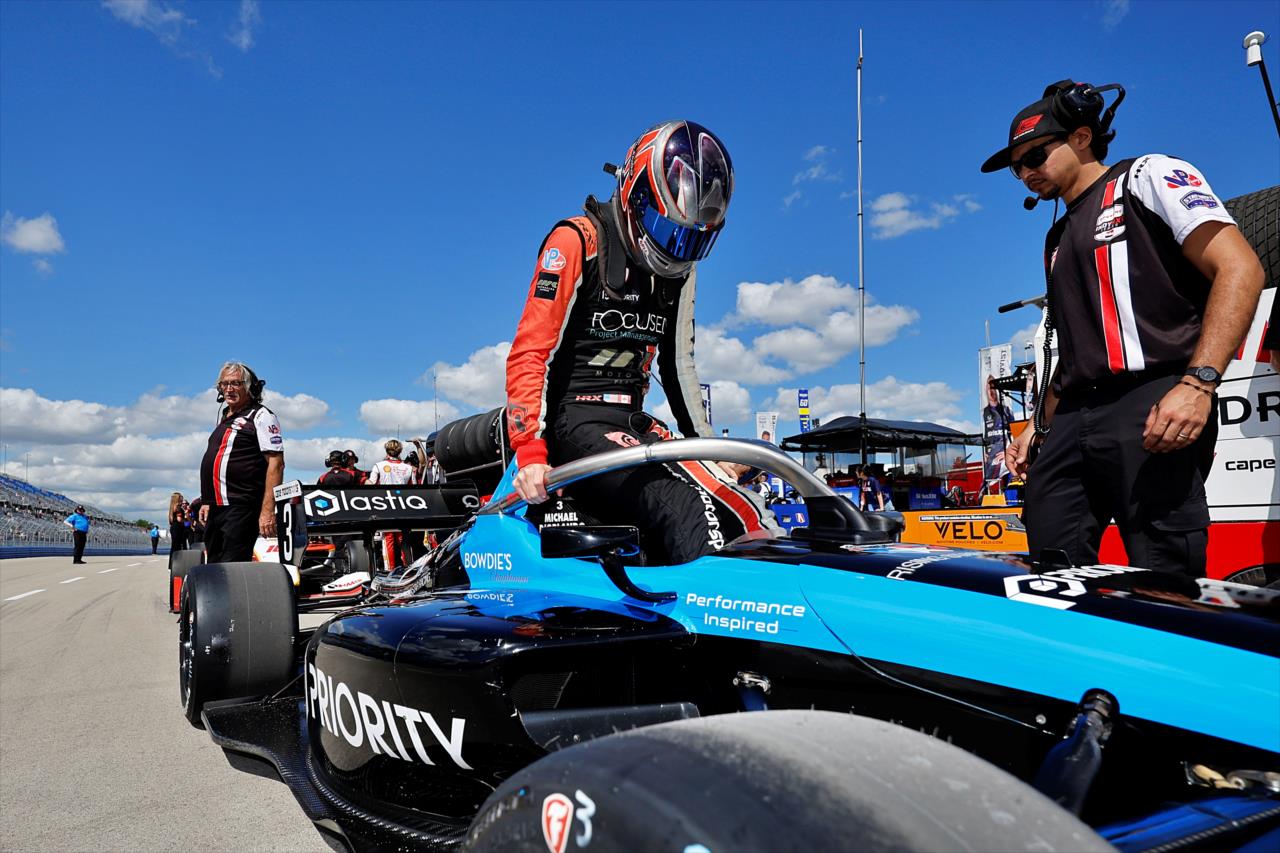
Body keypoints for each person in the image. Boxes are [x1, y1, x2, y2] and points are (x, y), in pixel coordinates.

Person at [985, 80, 1264, 575]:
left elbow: (1241, 269)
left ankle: (1174, 651)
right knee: (1050, 551)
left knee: (1163, 569)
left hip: (1154, 395)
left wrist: (1198, 384)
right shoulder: (1057, 235)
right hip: (1075, 413)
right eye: (1016, 167)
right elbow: (1073, 349)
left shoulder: (1147, 175)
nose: (1025, 172)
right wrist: (1039, 428)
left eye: (1035, 156)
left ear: (1081, 137)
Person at [505, 120, 775, 564]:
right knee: (691, 510)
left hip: (631, 422)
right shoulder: (577, 241)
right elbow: (531, 351)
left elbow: (678, 366)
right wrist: (531, 451)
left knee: (740, 507)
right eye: (670, 231)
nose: (677, 249)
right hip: (571, 422)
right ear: (636, 194)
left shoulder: (683, 269)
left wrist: (707, 448)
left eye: (691, 240)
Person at [198, 361, 285, 563]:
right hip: (218, 507)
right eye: (224, 384)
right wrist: (207, 500)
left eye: (236, 383)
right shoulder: (225, 416)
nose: (229, 389)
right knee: (214, 565)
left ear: (249, 387)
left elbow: (276, 463)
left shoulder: (261, 416)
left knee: (232, 568)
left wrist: (267, 510)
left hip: (241, 506)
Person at [982, 375, 1014, 483]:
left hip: (1006, 457)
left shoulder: (1006, 411)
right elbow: (985, 436)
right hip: (991, 459)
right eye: (989, 388)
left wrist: (1008, 450)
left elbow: (1014, 433)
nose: (991, 391)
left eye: (993, 387)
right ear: (986, 390)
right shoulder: (984, 413)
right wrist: (985, 452)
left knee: (1010, 486)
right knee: (990, 488)